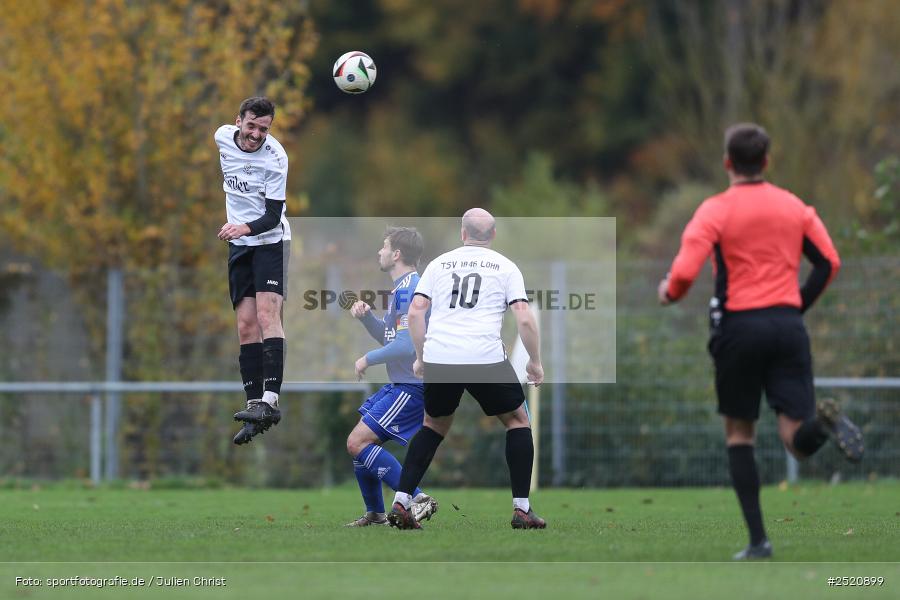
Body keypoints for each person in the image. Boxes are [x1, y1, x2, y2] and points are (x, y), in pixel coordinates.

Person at [657, 123, 863, 560]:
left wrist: (668, 293)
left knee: (740, 433)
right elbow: (829, 262)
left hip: (739, 329)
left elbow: (685, 272)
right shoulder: (794, 207)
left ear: (727, 163)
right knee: (795, 439)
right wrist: (795, 307)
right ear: (766, 161)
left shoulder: (715, 210)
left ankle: (758, 542)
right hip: (787, 326)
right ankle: (823, 425)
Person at [387, 208, 546, 530]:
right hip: (484, 356)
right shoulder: (506, 267)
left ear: (463, 233)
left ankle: (401, 502)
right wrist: (535, 361)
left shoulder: (438, 264)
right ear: (493, 235)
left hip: (441, 356)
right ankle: (522, 509)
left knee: (433, 425)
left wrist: (421, 357)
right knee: (517, 420)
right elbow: (525, 319)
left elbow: (416, 313)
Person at [344, 227, 438, 527]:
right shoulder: (401, 289)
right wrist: (367, 318)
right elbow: (391, 339)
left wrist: (366, 359)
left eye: (383, 247)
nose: (379, 252)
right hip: (402, 384)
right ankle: (375, 514)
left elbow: (406, 346)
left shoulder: (411, 289)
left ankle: (418, 498)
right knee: (360, 443)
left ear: (396, 254)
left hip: (413, 387)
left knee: (357, 442)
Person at [214, 97, 291, 445]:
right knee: (245, 325)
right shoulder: (221, 137)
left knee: (266, 315)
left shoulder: (276, 158)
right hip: (239, 245)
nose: (257, 134)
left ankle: (270, 401)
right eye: (251, 126)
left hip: (270, 242)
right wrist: (239, 232)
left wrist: (241, 227)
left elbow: (272, 217)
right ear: (238, 122)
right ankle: (254, 406)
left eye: (264, 128)